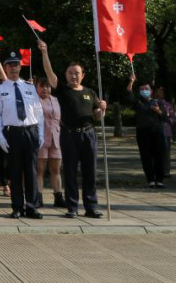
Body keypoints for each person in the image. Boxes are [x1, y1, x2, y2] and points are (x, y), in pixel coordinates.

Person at [37, 40, 106, 219]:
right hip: (69, 135)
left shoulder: (90, 92)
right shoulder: (62, 90)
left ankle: (91, 206)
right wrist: (45, 52)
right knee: (69, 171)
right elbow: (49, 73)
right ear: (66, 75)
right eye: (70, 73)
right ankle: (72, 207)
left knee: (90, 171)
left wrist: (102, 109)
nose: (73, 76)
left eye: (76, 73)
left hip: (89, 135)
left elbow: (97, 117)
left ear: (82, 74)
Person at [0, 50, 44, 219]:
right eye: (10, 65)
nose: (14, 68)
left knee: (31, 172)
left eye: (17, 65)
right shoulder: (0, 90)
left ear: (21, 67)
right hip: (12, 133)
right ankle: (17, 207)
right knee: (15, 171)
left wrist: (40, 133)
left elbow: (38, 111)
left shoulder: (29, 87)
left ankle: (32, 207)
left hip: (30, 131)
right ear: (5, 68)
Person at [128, 72, 166, 188]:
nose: (145, 90)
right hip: (142, 133)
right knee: (146, 156)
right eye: (142, 89)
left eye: (147, 89)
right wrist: (131, 81)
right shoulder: (138, 102)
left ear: (151, 90)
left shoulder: (157, 102)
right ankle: (150, 179)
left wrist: (158, 111)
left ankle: (159, 179)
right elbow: (129, 94)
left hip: (157, 132)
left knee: (159, 155)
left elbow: (165, 117)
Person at [34, 77, 63, 209]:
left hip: (56, 138)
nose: (45, 89)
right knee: (39, 169)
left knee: (56, 169)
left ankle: (58, 196)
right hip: (41, 138)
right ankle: (38, 197)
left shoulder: (56, 100)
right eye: (42, 86)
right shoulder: (34, 100)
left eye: (47, 86)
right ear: (37, 87)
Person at [155, 86, 176, 178]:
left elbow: (172, 119)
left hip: (165, 131)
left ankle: (166, 171)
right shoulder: (153, 104)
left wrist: (167, 118)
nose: (160, 93)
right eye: (159, 91)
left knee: (166, 152)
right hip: (154, 131)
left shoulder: (168, 105)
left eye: (162, 92)